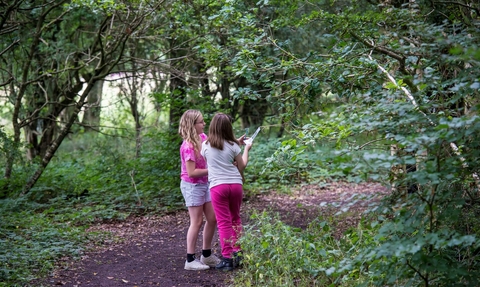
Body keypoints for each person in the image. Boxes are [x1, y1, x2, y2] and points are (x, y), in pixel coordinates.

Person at [201, 113, 253, 271]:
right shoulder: (233, 145)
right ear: (228, 127)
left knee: (224, 222)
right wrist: (246, 148)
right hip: (236, 185)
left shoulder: (205, 145)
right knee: (236, 219)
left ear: (212, 126)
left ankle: (228, 258)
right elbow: (241, 165)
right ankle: (238, 254)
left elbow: (213, 159)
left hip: (218, 187)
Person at [178, 109, 221, 270]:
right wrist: (213, 169)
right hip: (192, 186)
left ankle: (206, 255)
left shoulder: (203, 138)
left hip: (205, 184)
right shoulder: (188, 146)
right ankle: (190, 260)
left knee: (213, 218)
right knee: (196, 221)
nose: (204, 124)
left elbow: (217, 146)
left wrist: (236, 142)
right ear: (192, 125)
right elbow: (191, 173)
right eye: (201, 122)